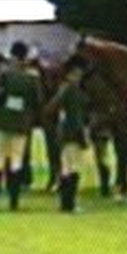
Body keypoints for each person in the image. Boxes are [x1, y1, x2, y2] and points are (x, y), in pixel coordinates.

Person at [0, 41, 44, 211]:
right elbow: (38, 100)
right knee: (16, 159)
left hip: (1, 120)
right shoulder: (32, 77)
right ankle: (14, 201)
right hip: (21, 122)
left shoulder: (4, 74)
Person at [46, 55, 93, 213]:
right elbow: (76, 115)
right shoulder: (72, 90)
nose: (79, 76)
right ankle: (69, 203)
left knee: (67, 167)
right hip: (73, 132)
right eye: (77, 73)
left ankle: (66, 203)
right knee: (73, 168)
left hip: (65, 131)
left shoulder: (65, 88)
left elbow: (52, 107)